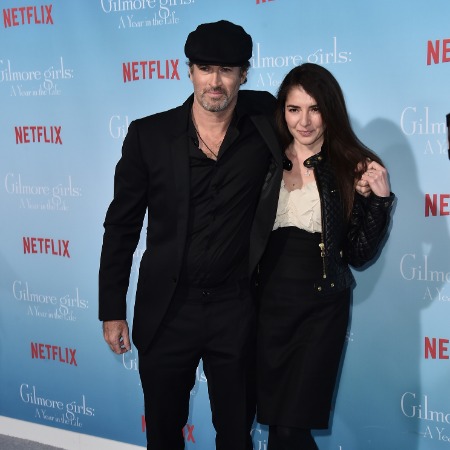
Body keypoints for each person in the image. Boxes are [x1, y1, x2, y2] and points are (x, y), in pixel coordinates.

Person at [98, 20, 284, 450]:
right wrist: (112, 309)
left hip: (236, 309)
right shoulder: (149, 136)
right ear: (189, 71)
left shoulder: (264, 124)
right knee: (163, 432)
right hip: (167, 310)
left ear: (244, 74)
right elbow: (121, 226)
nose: (214, 82)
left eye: (226, 70)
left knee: (236, 433)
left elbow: (313, 126)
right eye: (204, 68)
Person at [256, 63, 395, 450]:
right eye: (294, 108)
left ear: (330, 110)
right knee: (277, 423)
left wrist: (379, 202)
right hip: (266, 305)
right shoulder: (264, 159)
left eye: (315, 109)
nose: (304, 121)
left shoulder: (350, 166)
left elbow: (359, 253)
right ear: (282, 110)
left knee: (290, 427)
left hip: (321, 306)